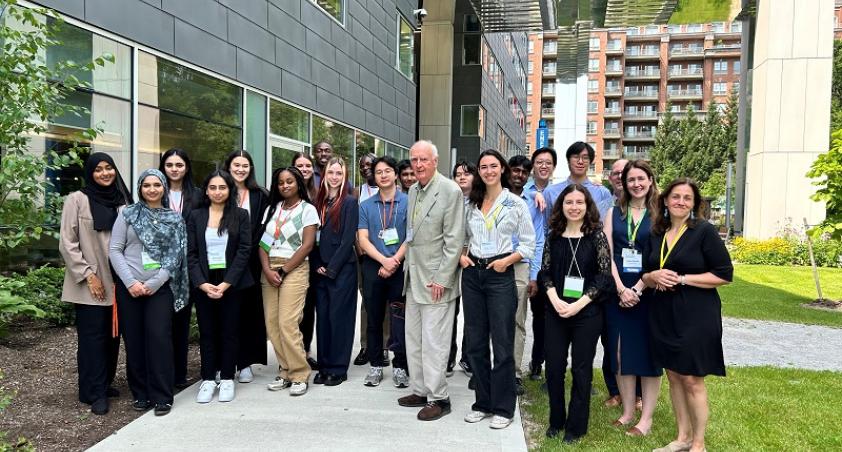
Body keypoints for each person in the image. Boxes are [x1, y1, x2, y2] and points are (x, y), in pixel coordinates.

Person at [642, 178, 733, 452]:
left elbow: (723, 275)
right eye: (676, 196)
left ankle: (699, 443)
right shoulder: (656, 233)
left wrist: (682, 279)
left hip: (696, 314)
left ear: (694, 204)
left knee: (692, 378)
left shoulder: (703, 231)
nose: (681, 202)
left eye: (687, 198)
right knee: (673, 375)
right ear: (666, 201)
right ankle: (682, 438)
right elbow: (644, 275)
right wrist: (652, 276)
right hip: (662, 312)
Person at [460, 150, 535, 430]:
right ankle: (482, 402)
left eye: (493, 166)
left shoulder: (515, 204)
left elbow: (528, 244)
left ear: (502, 169)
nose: (489, 171)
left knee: (503, 344)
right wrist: (461, 257)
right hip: (473, 274)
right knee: (476, 342)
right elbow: (459, 236)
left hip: (500, 273)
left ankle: (504, 407)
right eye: (483, 167)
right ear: (478, 171)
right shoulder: (471, 204)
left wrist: (508, 261)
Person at [540, 142, 616, 402]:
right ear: (568, 160)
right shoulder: (552, 192)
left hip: (590, 264)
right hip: (561, 266)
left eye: (585, 157)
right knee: (554, 339)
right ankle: (554, 380)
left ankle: (584, 383)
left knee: (587, 342)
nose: (580, 161)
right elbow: (551, 227)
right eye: (575, 157)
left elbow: (604, 229)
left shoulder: (601, 193)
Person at [109, 169, 189, 417]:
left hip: (159, 288)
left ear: (164, 187)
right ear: (140, 188)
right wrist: (131, 282)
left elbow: (175, 257)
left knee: (159, 339)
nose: (152, 189)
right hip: (129, 288)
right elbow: (115, 250)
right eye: (146, 185)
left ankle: (162, 396)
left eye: (157, 184)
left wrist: (154, 283)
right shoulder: (127, 214)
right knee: (134, 341)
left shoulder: (175, 219)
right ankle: (141, 393)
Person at [396, 140, 465, 422]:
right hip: (413, 277)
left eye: (424, 159)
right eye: (414, 160)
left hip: (436, 280)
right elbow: (412, 234)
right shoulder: (413, 190)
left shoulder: (450, 191)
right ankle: (421, 389)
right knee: (414, 339)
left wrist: (443, 278)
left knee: (434, 342)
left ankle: (440, 397)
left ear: (435, 161)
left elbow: (454, 240)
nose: (419, 165)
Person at [59, 152, 130, 416]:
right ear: (90, 173)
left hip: (118, 281)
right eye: (98, 169)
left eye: (109, 168)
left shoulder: (122, 202)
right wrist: (89, 275)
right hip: (91, 282)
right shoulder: (77, 200)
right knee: (93, 339)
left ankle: (102, 383)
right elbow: (67, 243)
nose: (104, 173)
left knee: (113, 337)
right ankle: (94, 392)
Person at [541, 184, 611, 443]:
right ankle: (556, 421)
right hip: (556, 309)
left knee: (581, 370)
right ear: (561, 205)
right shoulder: (554, 236)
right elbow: (545, 272)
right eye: (568, 202)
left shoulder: (596, 237)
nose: (574, 207)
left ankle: (576, 427)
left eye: (579, 202)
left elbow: (604, 277)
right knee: (555, 368)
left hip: (586, 313)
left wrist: (579, 304)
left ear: (587, 205)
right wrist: (554, 298)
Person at [602, 160, 661, 435]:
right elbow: (607, 253)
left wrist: (637, 288)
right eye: (630, 180)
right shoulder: (614, 213)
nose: (636, 184)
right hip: (618, 291)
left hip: (649, 291)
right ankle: (627, 412)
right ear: (623, 184)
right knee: (619, 351)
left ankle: (646, 419)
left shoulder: (661, 214)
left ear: (650, 180)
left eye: (641, 178)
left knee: (648, 354)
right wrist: (620, 288)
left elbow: (662, 255)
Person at [186, 170, 253, 403]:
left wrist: (226, 283)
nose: (217, 192)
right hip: (204, 282)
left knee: (229, 332)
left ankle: (226, 378)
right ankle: (207, 378)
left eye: (222, 187)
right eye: (212, 187)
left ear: (229, 189)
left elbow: (245, 250)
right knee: (207, 332)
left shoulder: (241, 215)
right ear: (206, 190)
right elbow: (191, 253)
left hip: (231, 283)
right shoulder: (195, 216)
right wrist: (202, 283)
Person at [259, 167, 319, 396]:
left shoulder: (308, 210)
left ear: (298, 184)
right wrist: (266, 268)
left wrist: (283, 270)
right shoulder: (272, 209)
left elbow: (307, 246)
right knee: (272, 324)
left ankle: (300, 373)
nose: (285, 186)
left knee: (287, 322)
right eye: (281, 182)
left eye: (290, 181)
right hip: (269, 268)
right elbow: (262, 243)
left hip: (293, 268)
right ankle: (285, 370)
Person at [357, 156, 409, 388]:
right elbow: (363, 239)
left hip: (400, 266)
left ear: (396, 174)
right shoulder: (366, 206)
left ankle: (400, 366)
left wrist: (395, 260)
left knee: (399, 320)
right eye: (379, 172)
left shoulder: (408, 202)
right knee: (374, 318)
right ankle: (376, 364)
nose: (384, 175)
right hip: (373, 266)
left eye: (388, 170)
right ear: (374, 177)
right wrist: (383, 260)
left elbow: (411, 236)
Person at [311, 157, 358, 386]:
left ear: (344, 176)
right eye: (331, 172)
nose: (335, 177)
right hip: (319, 269)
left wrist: (331, 268)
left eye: (339, 173)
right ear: (325, 174)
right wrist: (317, 264)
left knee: (339, 319)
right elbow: (311, 238)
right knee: (324, 321)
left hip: (342, 270)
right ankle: (324, 364)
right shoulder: (316, 202)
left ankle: (338, 368)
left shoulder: (349, 202)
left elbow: (348, 238)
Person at [223, 150, 269, 383]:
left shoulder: (260, 195)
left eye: (245, 165)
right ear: (228, 166)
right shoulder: (220, 191)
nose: (241, 169)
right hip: (223, 260)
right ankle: (225, 363)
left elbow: (266, 227)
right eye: (236, 165)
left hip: (252, 260)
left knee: (250, 312)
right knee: (227, 313)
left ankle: (246, 363)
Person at [159, 148, 199, 389]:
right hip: (160, 269)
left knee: (182, 322)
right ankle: (163, 372)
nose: (174, 169)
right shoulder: (154, 192)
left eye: (179, 165)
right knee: (163, 324)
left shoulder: (197, 195)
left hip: (189, 268)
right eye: (170, 164)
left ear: (186, 168)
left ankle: (179, 375)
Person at [507, 155, 545, 395]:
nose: (519, 175)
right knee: (493, 320)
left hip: (520, 265)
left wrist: (534, 275)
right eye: (515, 170)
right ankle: (493, 369)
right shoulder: (494, 195)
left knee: (517, 321)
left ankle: (513, 374)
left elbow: (538, 240)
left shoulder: (534, 202)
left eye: (524, 171)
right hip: (493, 263)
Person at [352, 152, 389, 367]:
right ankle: (366, 345)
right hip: (364, 254)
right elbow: (354, 224)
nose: (366, 168)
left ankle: (384, 346)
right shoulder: (357, 192)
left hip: (387, 255)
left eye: (371, 164)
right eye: (362, 165)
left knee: (385, 302)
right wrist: (359, 248)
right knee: (367, 302)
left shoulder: (391, 191)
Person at [524, 147, 556, 382]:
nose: (544, 166)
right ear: (533, 165)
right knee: (538, 315)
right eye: (539, 162)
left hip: (558, 261)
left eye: (548, 162)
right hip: (533, 261)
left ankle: (549, 362)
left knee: (553, 315)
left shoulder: (560, 192)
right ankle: (536, 362)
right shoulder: (523, 194)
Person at [448, 161, 477, 377]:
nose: (462, 178)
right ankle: (448, 357)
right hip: (450, 258)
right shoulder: (449, 199)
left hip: (473, 259)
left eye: (466, 174)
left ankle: (468, 358)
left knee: (472, 312)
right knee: (450, 309)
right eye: (458, 174)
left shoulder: (481, 200)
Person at [291, 152, 320, 369]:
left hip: (314, 255)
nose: (304, 168)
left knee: (308, 307)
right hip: (290, 257)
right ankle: (293, 352)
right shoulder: (287, 192)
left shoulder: (319, 194)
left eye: (308, 165)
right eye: (299, 165)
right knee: (293, 310)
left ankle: (306, 350)